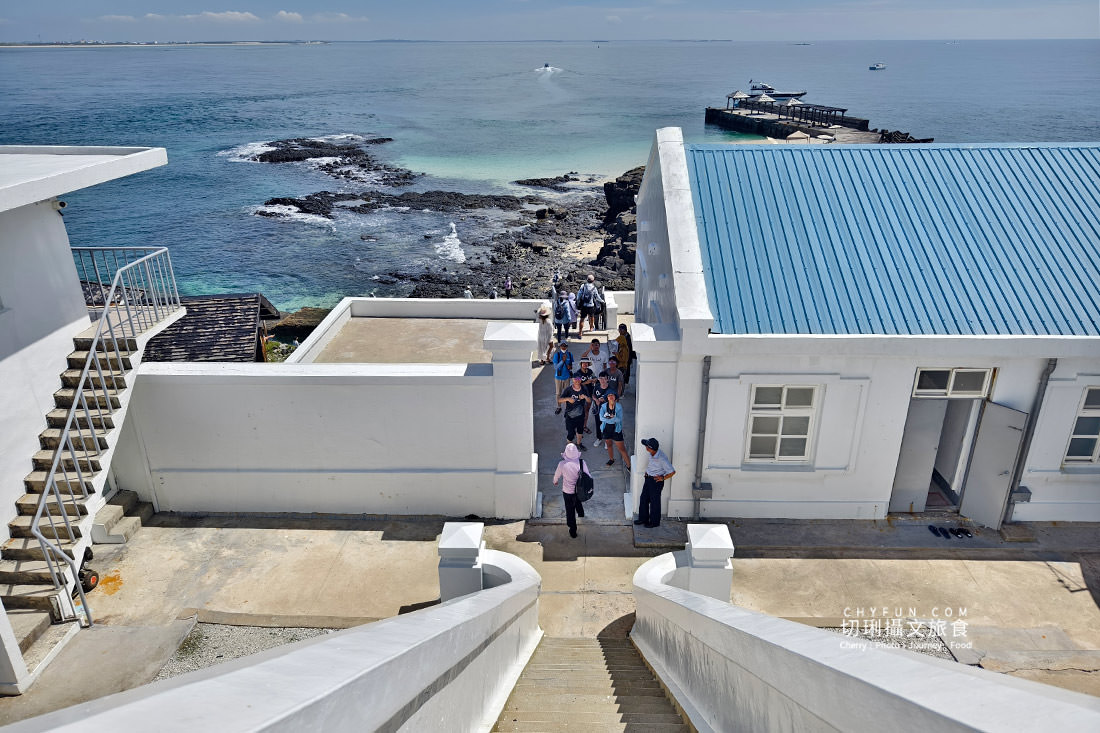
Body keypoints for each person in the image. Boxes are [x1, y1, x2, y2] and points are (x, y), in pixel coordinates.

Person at [552, 442, 590, 538]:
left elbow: (557, 475)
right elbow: (588, 475)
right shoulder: (582, 463)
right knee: (577, 501)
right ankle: (581, 513)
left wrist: (555, 481)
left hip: (567, 491)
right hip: (579, 490)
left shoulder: (562, 464)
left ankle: (573, 530)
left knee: (570, 510)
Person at [636, 438, 675, 528]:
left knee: (655, 502)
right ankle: (643, 519)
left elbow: (672, 472)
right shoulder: (652, 453)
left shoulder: (662, 458)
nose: (645, 447)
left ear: (650, 448)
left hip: (656, 482)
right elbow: (652, 465)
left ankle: (654, 522)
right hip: (648, 479)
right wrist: (647, 472)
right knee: (643, 499)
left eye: (647, 446)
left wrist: (663, 478)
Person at [557, 374, 590, 451]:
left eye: (578, 379)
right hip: (570, 416)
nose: (577, 381)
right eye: (575, 379)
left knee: (580, 431)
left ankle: (579, 444)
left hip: (580, 415)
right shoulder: (568, 389)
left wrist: (585, 397)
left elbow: (589, 400)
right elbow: (559, 400)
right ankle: (569, 449)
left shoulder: (584, 388)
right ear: (572, 379)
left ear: (581, 380)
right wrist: (568, 399)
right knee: (571, 434)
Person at [600, 393, 631, 469]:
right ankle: (611, 459)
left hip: (616, 430)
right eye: (609, 395)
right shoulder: (603, 406)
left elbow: (619, 420)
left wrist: (611, 418)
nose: (611, 397)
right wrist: (612, 419)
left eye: (612, 395)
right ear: (607, 398)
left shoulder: (619, 407)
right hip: (606, 429)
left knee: (621, 448)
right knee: (609, 445)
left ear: (615, 397)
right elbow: (601, 418)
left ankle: (629, 466)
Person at [591, 372, 614, 448]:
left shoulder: (610, 389)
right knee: (598, 424)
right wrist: (596, 400)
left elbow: (614, 400)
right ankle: (599, 438)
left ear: (607, 379)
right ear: (598, 379)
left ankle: (607, 440)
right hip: (598, 410)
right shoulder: (597, 386)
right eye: (601, 378)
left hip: (607, 411)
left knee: (607, 425)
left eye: (604, 379)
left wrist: (605, 400)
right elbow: (593, 395)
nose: (602, 380)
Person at [574, 358, 597, 434]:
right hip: (581, 396)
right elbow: (576, 384)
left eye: (586, 363)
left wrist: (594, 380)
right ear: (581, 364)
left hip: (589, 394)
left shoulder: (590, 371)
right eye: (583, 363)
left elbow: (595, 377)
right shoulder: (577, 373)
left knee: (587, 411)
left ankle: (584, 426)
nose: (585, 364)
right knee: (580, 411)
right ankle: (578, 427)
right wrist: (586, 382)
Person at [551, 341, 574, 414]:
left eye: (565, 346)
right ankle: (559, 407)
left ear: (567, 347)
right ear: (560, 347)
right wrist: (562, 361)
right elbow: (555, 367)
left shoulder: (570, 354)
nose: (563, 347)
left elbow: (571, 366)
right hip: (558, 377)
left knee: (567, 393)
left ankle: (567, 407)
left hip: (567, 377)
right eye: (562, 346)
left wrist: (570, 367)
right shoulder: (557, 355)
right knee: (558, 393)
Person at [614, 323, 633, 391]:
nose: (620, 331)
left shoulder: (628, 339)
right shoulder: (621, 337)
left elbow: (627, 352)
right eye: (619, 330)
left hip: (625, 361)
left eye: (621, 330)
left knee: (624, 376)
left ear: (624, 330)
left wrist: (617, 355)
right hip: (621, 361)